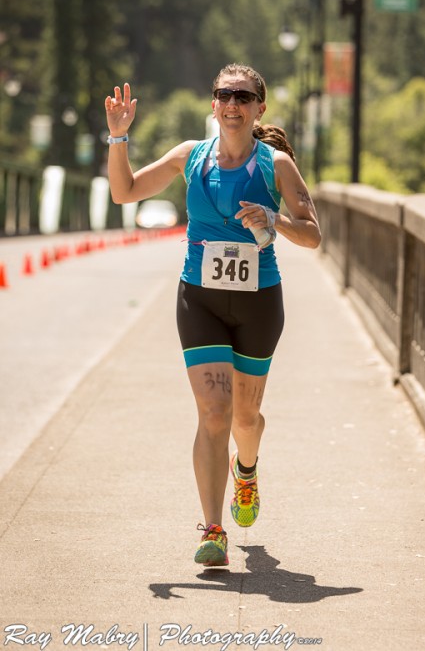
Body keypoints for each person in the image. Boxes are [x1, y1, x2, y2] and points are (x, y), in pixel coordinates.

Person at [104, 64, 321, 567]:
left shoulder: (276, 165)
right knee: (214, 413)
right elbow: (125, 191)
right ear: (213, 103)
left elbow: (313, 235)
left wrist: (274, 219)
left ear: (259, 108)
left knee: (245, 418)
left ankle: (247, 469)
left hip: (258, 303)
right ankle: (213, 528)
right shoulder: (190, 157)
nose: (233, 104)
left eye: (243, 96)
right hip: (198, 299)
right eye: (224, 94)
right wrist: (118, 139)